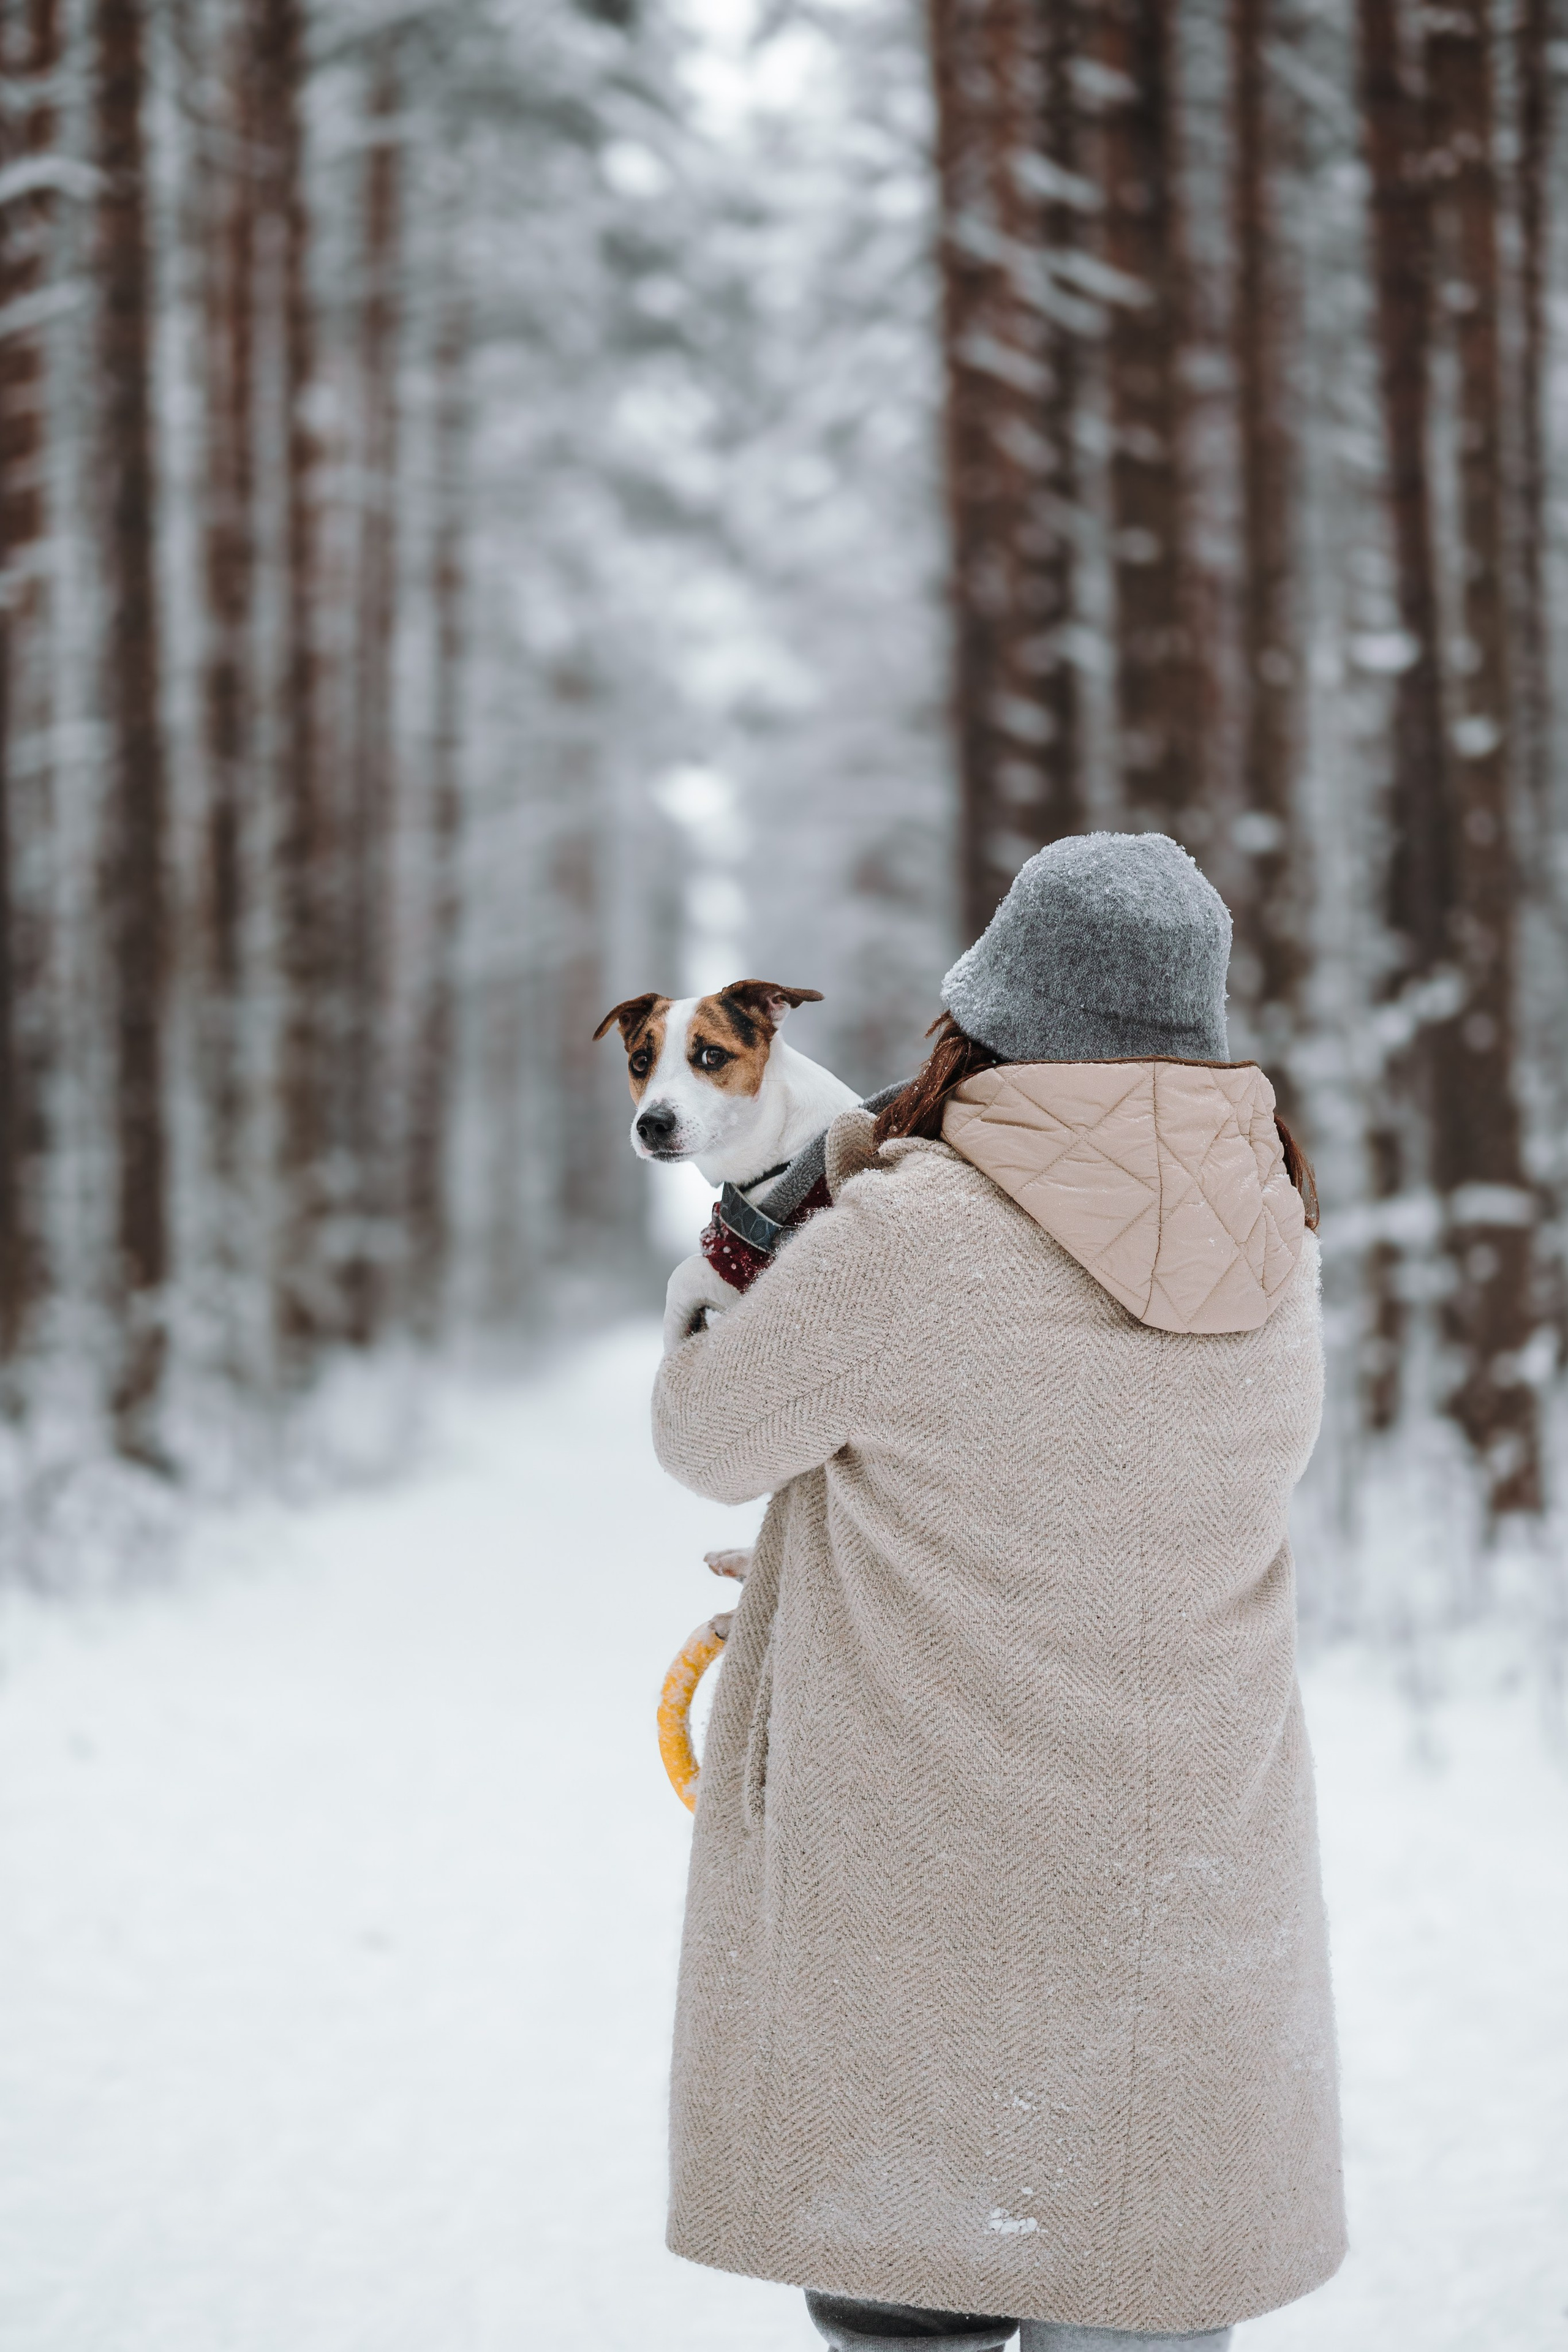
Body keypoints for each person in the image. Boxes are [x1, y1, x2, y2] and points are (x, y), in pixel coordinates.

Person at [652, 833, 1344, 2352]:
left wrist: (735, 1276)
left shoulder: (909, 1236)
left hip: (926, 1919)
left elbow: (706, 1440)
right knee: (1151, 2283)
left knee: (914, 2307)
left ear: (987, 1014)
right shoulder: (1277, 1238)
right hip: (1189, 1908)